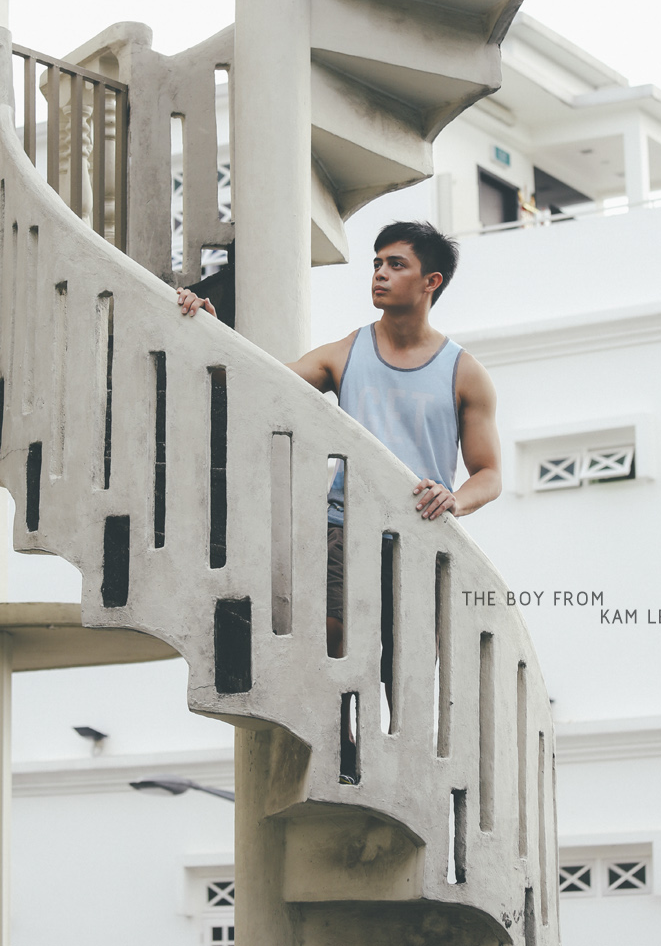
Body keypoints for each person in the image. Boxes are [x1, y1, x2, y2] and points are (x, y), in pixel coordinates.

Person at [177, 219, 501, 778]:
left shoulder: (463, 373)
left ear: (431, 281)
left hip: (419, 538)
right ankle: (343, 751)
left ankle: (404, 772)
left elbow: (489, 473)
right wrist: (210, 328)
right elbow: (264, 383)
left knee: (407, 668)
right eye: (376, 262)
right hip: (343, 527)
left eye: (396, 264)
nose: (379, 273)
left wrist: (455, 499)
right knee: (332, 642)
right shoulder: (347, 353)